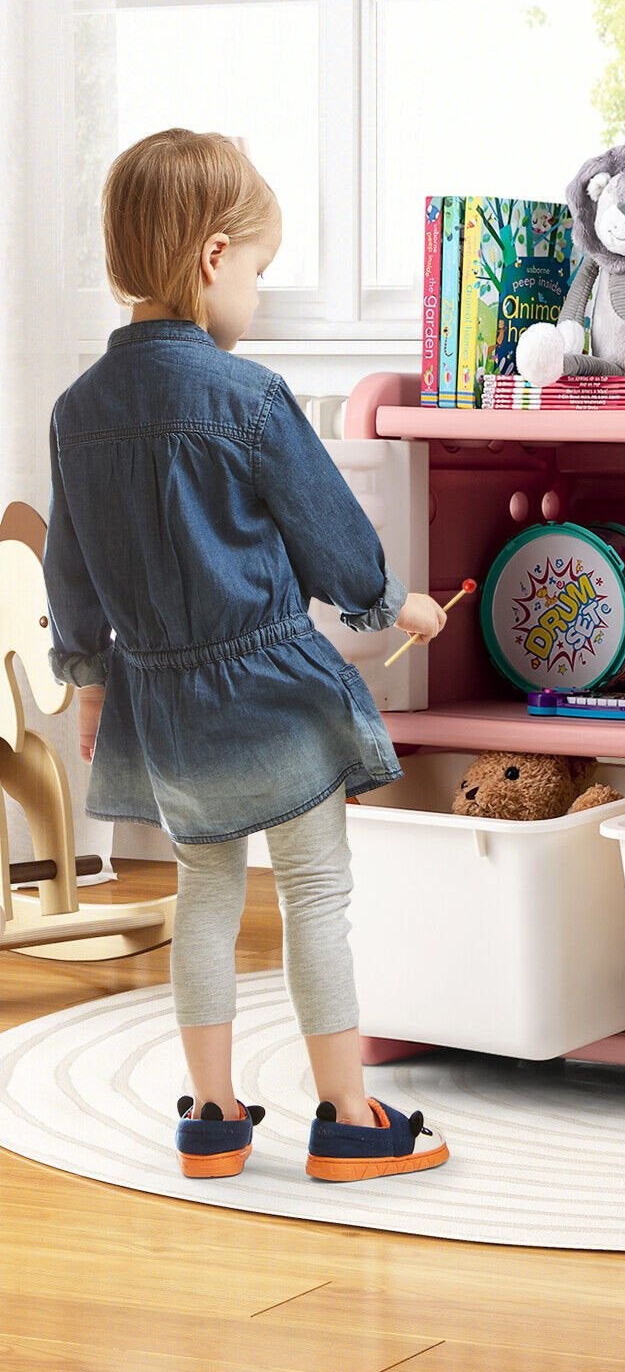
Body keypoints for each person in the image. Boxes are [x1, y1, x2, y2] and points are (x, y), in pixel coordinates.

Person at [42, 128, 449, 1182]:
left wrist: (89, 680)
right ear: (214, 257)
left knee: (208, 893)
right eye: (262, 271)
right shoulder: (251, 398)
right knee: (315, 890)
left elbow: (73, 577)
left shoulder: (76, 414)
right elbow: (328, 535)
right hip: (267, 686)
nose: (261, 296)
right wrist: (391, 601)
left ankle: (214, 1117)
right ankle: (348, 1114)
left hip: (165, 698)